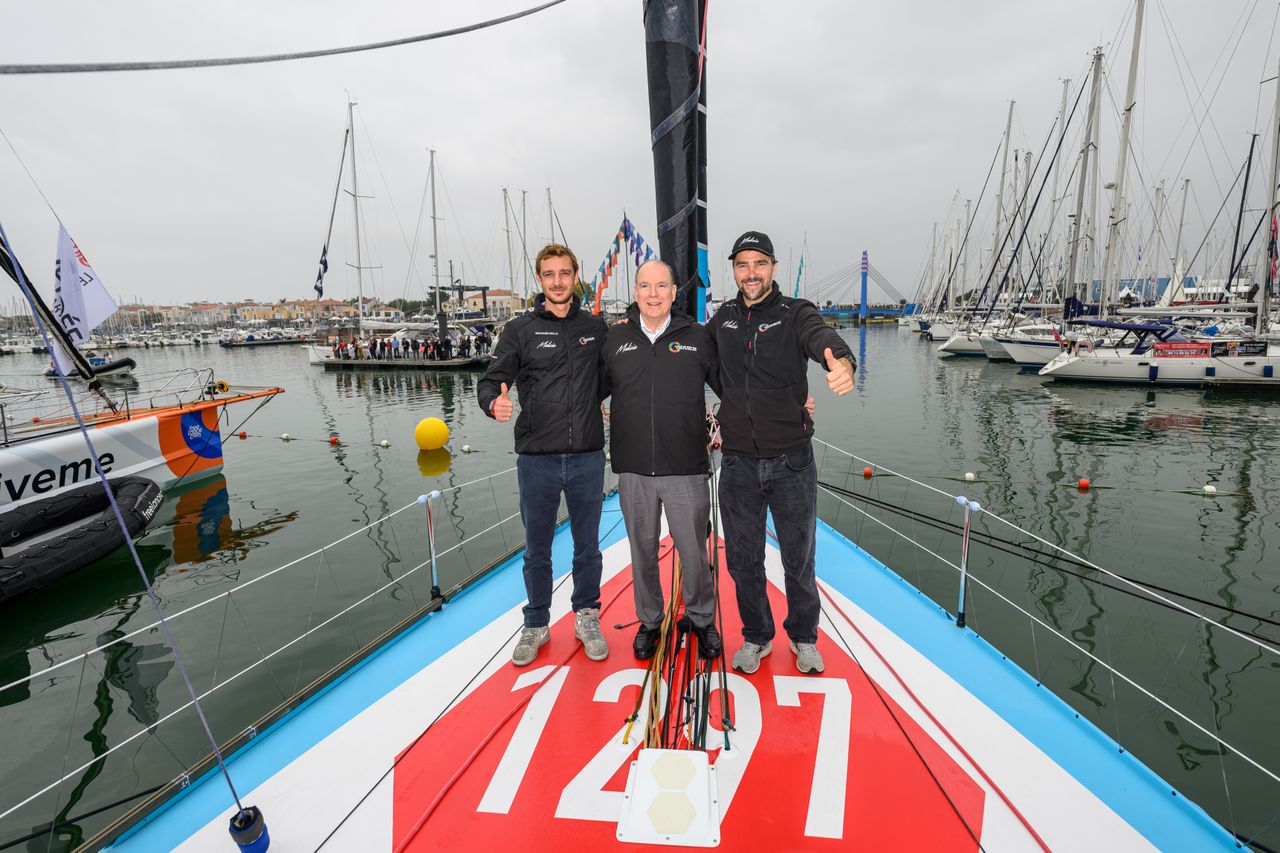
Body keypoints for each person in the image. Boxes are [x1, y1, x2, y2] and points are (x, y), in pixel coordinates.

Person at [707, 230, 855, 675]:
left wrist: (840, 361)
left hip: (791, 461)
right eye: (742, 265)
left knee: (799, 557)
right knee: (743, 560)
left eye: (759, 264)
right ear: (734, 271)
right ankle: (757, 636)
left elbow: (820, 336)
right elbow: (696, 358)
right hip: (737, 462)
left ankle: (804, 637)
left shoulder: (795, 312)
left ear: (773, 267)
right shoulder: (723, 318)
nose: (751, 273)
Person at [478, 243, 610, 666]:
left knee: (588, 547)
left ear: (575, 277)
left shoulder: (596, 328)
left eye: (564, 273)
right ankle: (536, 623)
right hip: (538, 459)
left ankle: (586, 615)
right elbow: (491, 380)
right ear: (539, 279)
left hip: (588, 456)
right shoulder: (520, 330)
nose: (557, 281)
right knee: (537, 550)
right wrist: (492, 404)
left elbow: (618, 377)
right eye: (549, 274)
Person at [601, 259, 722, 661]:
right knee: (642, 552)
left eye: (661, 286)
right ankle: (650, 622)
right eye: (645, 286)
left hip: (685, 467)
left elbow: (734, 386)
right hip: (634, 467)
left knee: (693, 552)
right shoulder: (615, 339)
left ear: (673, 292)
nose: (653, 294)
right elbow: (586, 390)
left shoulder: (698, 338)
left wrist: (791, 402)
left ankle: (702, 619)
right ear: (636, 292)